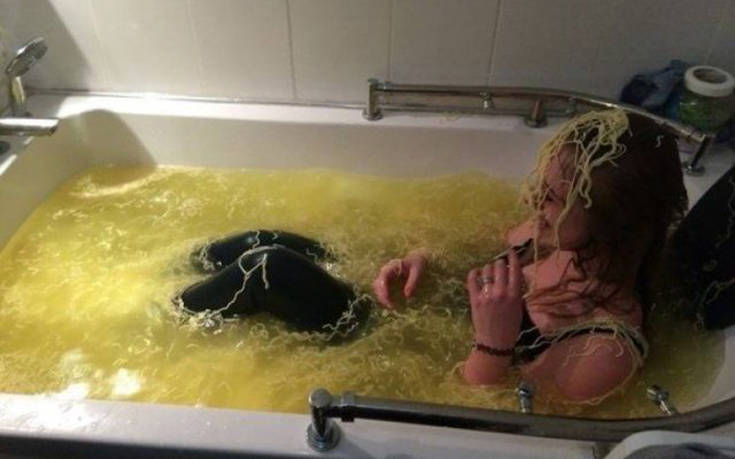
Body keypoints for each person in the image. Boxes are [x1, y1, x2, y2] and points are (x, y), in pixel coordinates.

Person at [373, 109, 688, 403]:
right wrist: (422, 258)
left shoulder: (604, 353)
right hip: (406, 330)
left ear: (608, 223)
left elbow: (479, 410)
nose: (532, 199)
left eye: (552, 197)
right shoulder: (552, 235)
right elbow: (474, 245)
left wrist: (493, 345)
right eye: (542, 185)